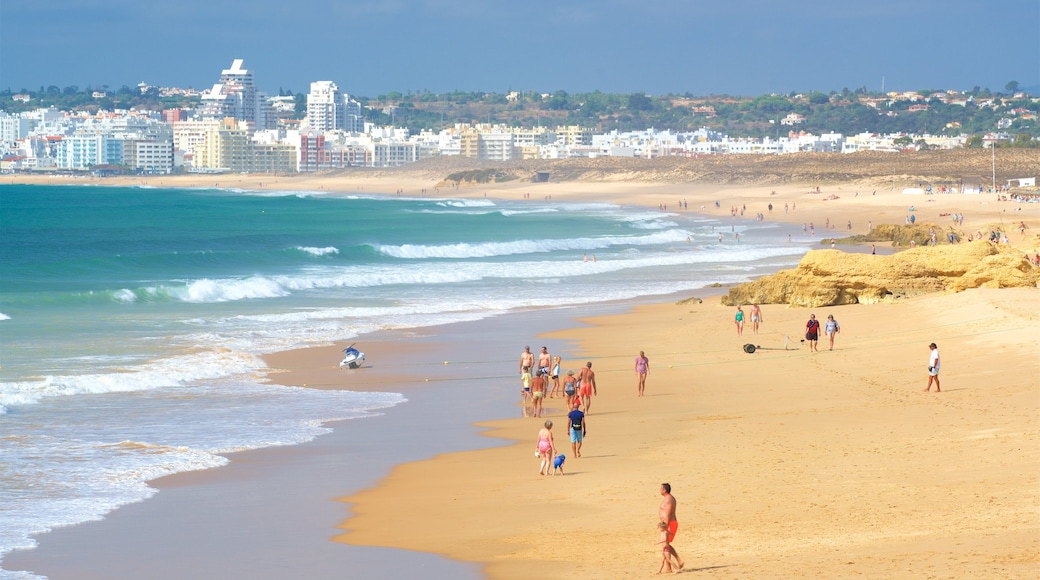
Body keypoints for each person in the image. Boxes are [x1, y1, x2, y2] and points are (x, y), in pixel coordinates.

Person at [658, 483, 684, 570]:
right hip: (667, 524)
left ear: (664, 490)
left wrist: (665, 526)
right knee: (665, 544)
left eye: (660, 488)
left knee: (665, 544)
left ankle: (677, 561)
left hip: (669, 523)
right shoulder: (667, 498)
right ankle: (668, 566)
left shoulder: (669, 499)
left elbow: (668, 513)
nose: (659, 490)